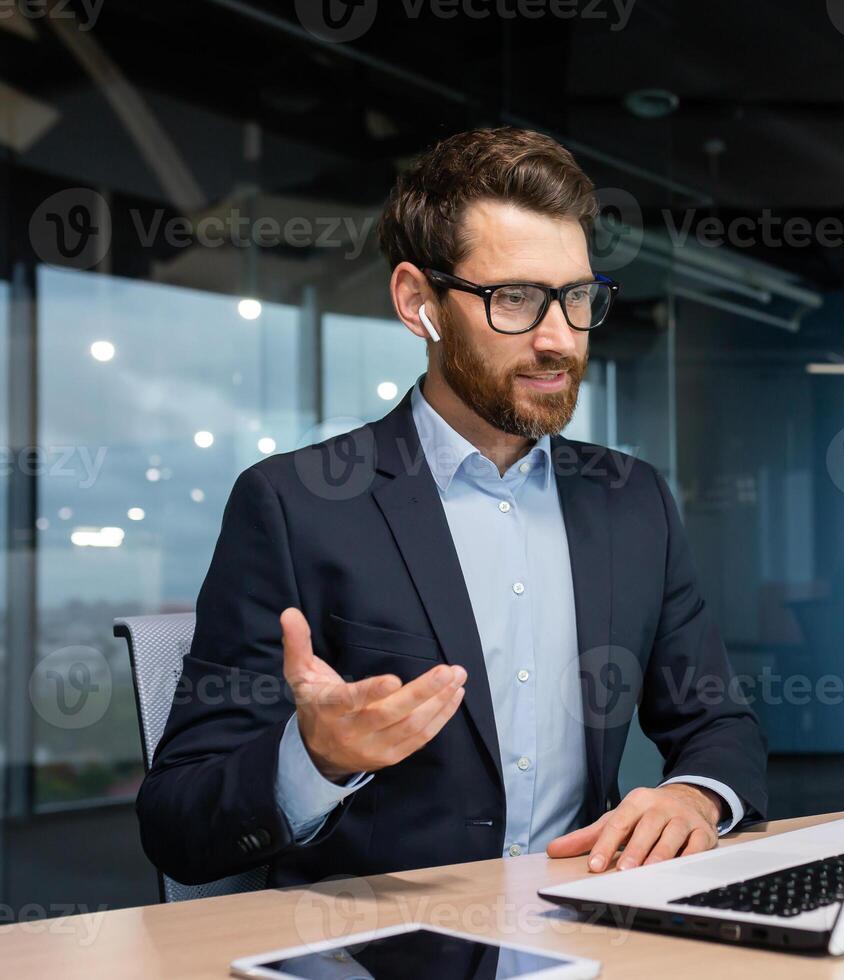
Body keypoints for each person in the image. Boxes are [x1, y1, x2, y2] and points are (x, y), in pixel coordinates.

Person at [136, 127, 768, 887]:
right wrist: (316, 760)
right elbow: (176, 820)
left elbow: (718, 724)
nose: (558, 340)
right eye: (515, 300)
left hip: (586, 924)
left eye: (575, 298)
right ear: (418, 302)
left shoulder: (632, 502)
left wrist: (694, 796)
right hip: (377, 947)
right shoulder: (294, 506)